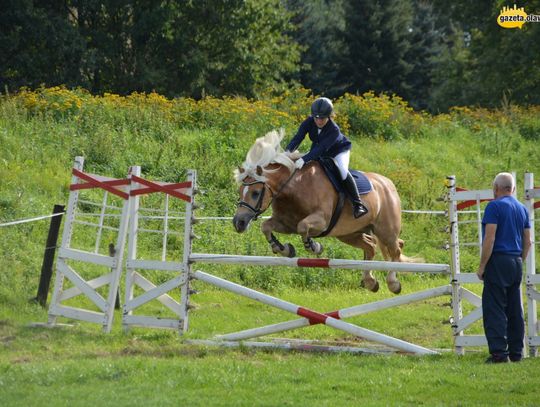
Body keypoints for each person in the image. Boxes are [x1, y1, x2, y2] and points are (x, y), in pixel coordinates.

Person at [477, 172, 531, 363]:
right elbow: (528, 241)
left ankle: (499, 353)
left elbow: (489, 238)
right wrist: (520, 260)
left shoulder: (494, 207)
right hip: (516, 260)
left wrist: (482, 265)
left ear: (495, 189)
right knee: (514, 308)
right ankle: (517, 352)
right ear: (513, 189)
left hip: (498, 260)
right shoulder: (522, 209)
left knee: (495, 308)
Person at [285, 97, 368, 218]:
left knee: (342, 170)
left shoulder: (334, 129)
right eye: (316, 117)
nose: (318, 121)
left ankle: (358, 204)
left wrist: (303, 159)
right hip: (319, 149)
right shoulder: (308, 122)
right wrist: (286, 153)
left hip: (338, 151)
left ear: (329, 116)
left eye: (322, 118)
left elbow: (322, 148)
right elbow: (298, 138)